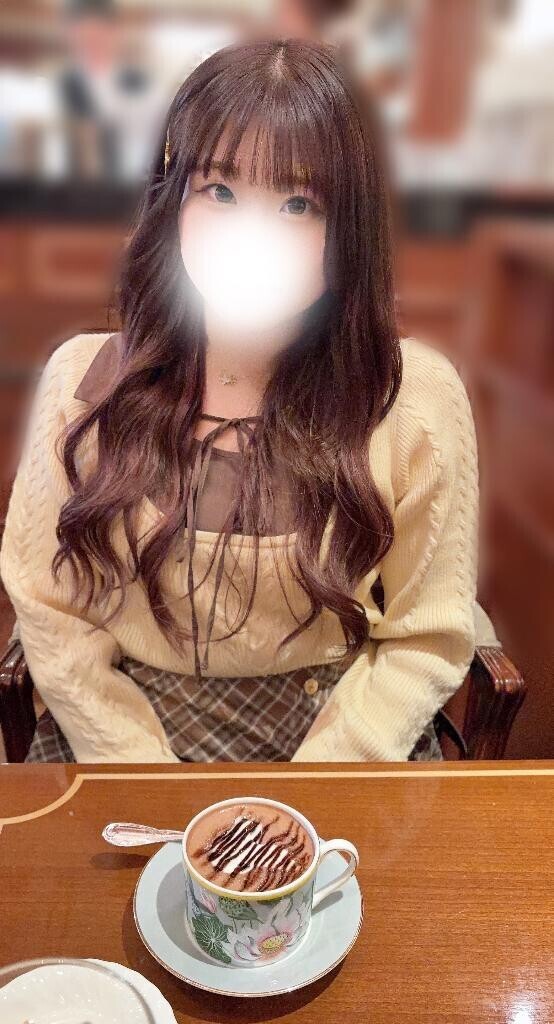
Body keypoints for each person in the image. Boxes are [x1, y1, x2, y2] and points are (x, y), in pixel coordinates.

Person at [0, 37, 479, 764]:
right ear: (174, 201)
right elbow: (51, 610)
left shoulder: (415, 399)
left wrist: (315, 788)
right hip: (124, 731)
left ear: (348, 230)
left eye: (297, 203)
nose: (249, 236)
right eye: (219, 191)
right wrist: (145, 774)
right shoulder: (81, 382)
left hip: (344, 735)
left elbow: (426, 637)